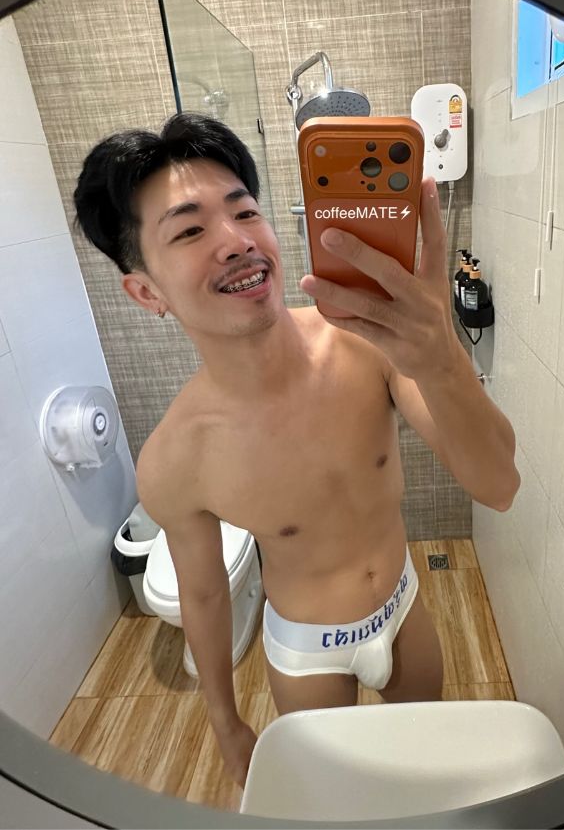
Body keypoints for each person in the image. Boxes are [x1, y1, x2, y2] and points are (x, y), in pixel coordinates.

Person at [74, 112, 520, 788]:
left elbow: (499, 485)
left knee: (424, 779)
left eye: (244, 211)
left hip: (403, 608)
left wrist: (441, 357)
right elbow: (203, 594)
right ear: (145, 290)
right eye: (190, 230)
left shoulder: (365, 342)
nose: (235, 241)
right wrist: (225, 721)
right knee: (334, 796)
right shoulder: (175, 458)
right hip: (308, 650)